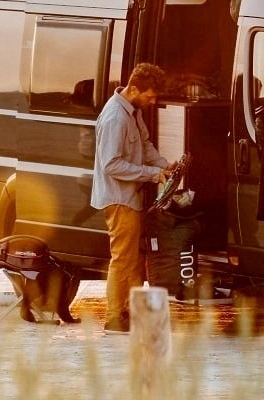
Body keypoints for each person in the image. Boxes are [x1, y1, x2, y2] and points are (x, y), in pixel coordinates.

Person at [90, 62, 172, 333]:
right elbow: (111, 164)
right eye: (150, 96)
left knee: (133, 259)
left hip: (130, 197)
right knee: (123, 259)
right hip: (119, 199)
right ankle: (115, 317)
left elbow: (144, 145)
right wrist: (153, 174)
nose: (153, 101)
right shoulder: (115, 118)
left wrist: (164, 166)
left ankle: (132, 313)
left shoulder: (133, 112)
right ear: (134, 89)